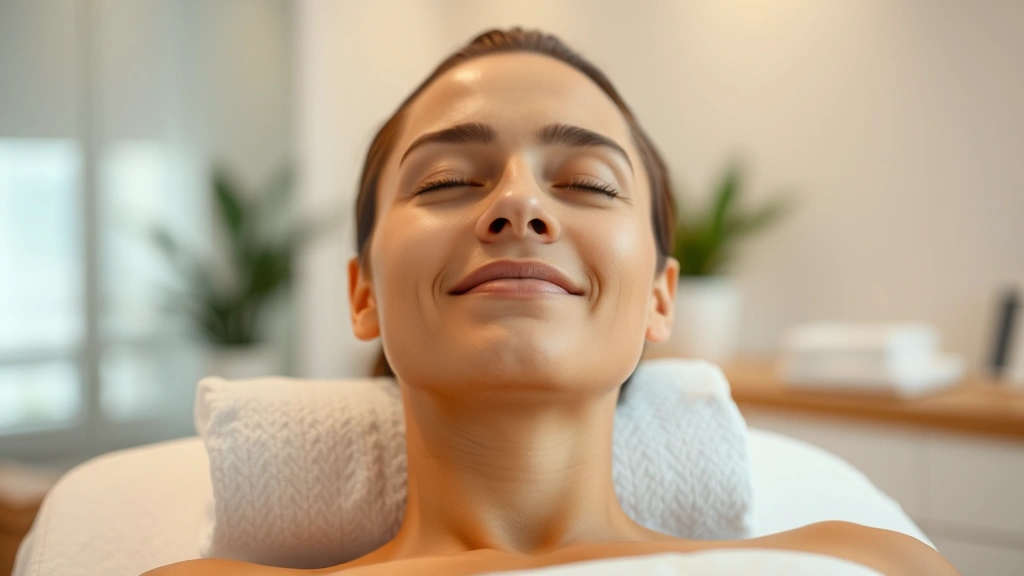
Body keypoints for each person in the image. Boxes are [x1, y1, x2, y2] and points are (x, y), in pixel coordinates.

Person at [146, 27, 958, 576]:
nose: (520, 206)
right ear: (363, 295)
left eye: (587, 184)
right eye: (449, 181)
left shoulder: (864, 565)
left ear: (659, 298)